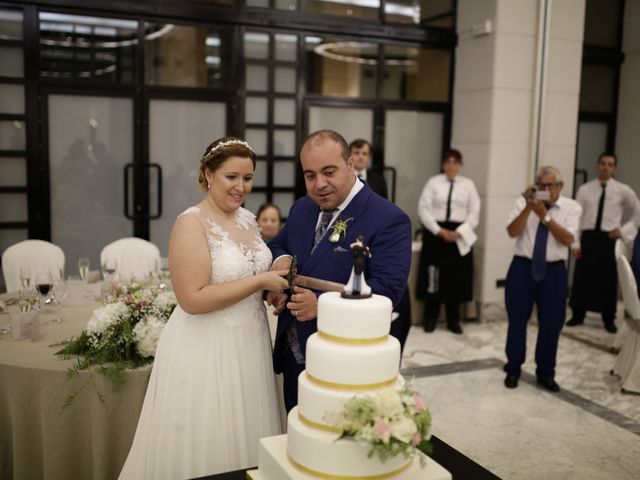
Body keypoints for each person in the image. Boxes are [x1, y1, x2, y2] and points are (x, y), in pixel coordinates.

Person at [119, 137, 289, 479]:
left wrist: (270, 282)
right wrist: (259, 284)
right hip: (206, 348)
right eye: (232, 177)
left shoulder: (248, 220)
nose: (241, 187)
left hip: (249, 343)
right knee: (208, 435)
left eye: (248, 177)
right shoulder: (191, 223)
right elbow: (193, 299)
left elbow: (249, 273)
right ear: (208, 174)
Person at [266, 130, 412, 412]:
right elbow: (277, 244)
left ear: (351, 164)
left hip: (343, 362)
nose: (319, 184)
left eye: (329, 172)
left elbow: (387, 292)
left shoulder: (389, 219)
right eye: (310, 175)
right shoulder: (302, 209)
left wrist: (323, 305)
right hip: (293, 352)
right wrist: (280, 260)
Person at [503, 166, 582, 393]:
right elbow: (511, 231)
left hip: (554, 271)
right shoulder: (524, 203)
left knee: (551, 324)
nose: (546, 190)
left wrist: (544, 216)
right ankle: (513, 367)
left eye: (550, 185)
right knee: (517, 320)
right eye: (542, 185)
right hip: (522, 267)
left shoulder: (572, 207)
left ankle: (546, 372)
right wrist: (529, 207)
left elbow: (567, 239)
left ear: (560, 187)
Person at [567, 153, 640, 333]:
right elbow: (576, 217)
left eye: (610, 164)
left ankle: (608, 318)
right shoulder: (585, 189)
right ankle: (578, 314)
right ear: (597, 165)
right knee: (582, 277)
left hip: (609, 238)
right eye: (603, 163)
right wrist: (575, 243)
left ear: (614, 168)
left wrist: (623, 231)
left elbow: (638, 211)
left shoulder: (622, 190)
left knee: (607, 279)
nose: (606, 167)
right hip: (589, 237)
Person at [416, 149, 480, 334]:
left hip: (460, 235)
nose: (451, 165)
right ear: (443, 164)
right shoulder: (433, 182)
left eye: (455, 162)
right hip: (436, 234)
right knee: (433, 277)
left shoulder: (469, 185)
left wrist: (459, 232)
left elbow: (474, 212)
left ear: (460, 165)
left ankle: (454, 320)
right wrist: (439, 231)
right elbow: (424, 209)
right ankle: (431, 318)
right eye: (448, 162)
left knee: (457, 278)